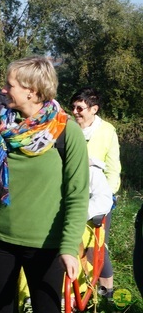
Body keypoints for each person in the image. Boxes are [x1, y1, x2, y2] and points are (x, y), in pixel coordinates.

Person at [0, 56, 89, 312]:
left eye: (10, 85)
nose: (3, 90)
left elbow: (77, 195)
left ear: (32, 91)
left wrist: (68, 247)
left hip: (47, 245)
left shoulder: (67, 132)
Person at [70, 87, 121, 300]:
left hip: (99, 196)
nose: (75, 112)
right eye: (73, 107)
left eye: (80, 108)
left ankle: (107, 292)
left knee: (97, 247)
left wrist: (106, 197)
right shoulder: (69, 128)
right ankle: (77, 290)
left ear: (94, 109)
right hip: (72, 194)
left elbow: (113, 167)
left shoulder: (106, 130)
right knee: (73, 244)